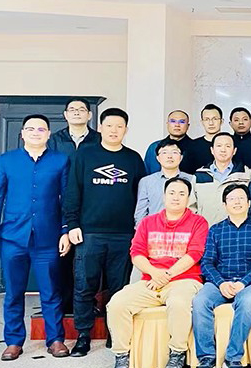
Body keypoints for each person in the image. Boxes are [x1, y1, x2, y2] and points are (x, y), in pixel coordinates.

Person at [63, 107, 146, 357]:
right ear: (100, 128)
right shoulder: (84, 155)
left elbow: (140, 198)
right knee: (84, 286)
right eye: (109, 125)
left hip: (123, 235)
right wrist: (72, 224)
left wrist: (139, 232)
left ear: (126, 130)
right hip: (90, 233)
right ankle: (83, 336)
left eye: (119, 126)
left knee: (119, 288)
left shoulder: (133, 159)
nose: (114, 130)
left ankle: (114, 332)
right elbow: (72, 192)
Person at [0, 114, 71, 361]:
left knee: (51, 291)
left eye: (41, 129)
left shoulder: (60, 160)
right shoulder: (6, 161)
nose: (36, 132)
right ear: (22, 133)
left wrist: (65, 231)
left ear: (48, 134)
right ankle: (14, 342)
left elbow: (68, 200)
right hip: (13, 237)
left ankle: (55, 339)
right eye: (31, 129)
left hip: (48, 237)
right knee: (14, 293)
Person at [106, 177, 208, 368]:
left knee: (178, 303)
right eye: (172, 193)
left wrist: (166, 275)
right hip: (151, 280)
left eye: (182, 194)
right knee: (117, 303)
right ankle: (122, 355)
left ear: (188, 198)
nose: (176, 197)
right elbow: (136, 253)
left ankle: (177, 353)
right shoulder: (148, 222)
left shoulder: (198, 222)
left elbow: (195, 253)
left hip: (185, 280)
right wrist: (155, 273)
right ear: (164, 196)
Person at [193, 184, 251, 368]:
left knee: (247, 302)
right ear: (225, 205)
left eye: (241, 198)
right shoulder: (216, 230)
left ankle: (233, 357)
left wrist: (243, 282)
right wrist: (221, 283)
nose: (237, 202)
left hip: (249, 283)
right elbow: (207, 262)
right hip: (219, 282)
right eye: (232, 199)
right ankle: (207, 357)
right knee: (200, 301)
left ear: (249, 203)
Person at [47, 98, 100, 316]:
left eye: (81, 109)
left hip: (91, 205)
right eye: (72, 109)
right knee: (63, 255)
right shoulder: (54, 140)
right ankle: (64, 305)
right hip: (59, 204)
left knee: (88, 257)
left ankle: (88, 304)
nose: (77, 112)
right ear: (65, 115)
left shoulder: (98, 139)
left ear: (89, 114)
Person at [194, 132, 251, 225]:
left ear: (234, 151)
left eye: (227, 146)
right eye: (219, 146)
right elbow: (191, 207)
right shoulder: (199, 175)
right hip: (206, 229)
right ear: (212, 150)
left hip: (238, 230)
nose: (223, 150)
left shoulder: (245, 174)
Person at [135, 138, 198, 225]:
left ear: (181, 157)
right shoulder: (146, 182)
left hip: (184, 230)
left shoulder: (192, 179)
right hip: (154, 230)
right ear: (158, 158)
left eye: (174, 152)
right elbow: (141, 213)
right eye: (164, 152)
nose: (169, 156)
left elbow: (195, 210)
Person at [142, 110, 193, 174]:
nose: (177, 125)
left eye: (182, 122)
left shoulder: (196, 148)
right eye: (173, 121)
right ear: (167, 124)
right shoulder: (154, 147)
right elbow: (146, 173)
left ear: (188, 126)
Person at [182, 104, 224, 173]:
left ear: (221, 121)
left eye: (215, 119)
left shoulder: (231, 144)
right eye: (207, 119)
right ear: (202, 122)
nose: (211, 123)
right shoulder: (192, 146)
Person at [230, 107, 251, 175]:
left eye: (245, 119)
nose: (241, 123)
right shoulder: (227, 143)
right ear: (230, 124)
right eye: (236, 120)